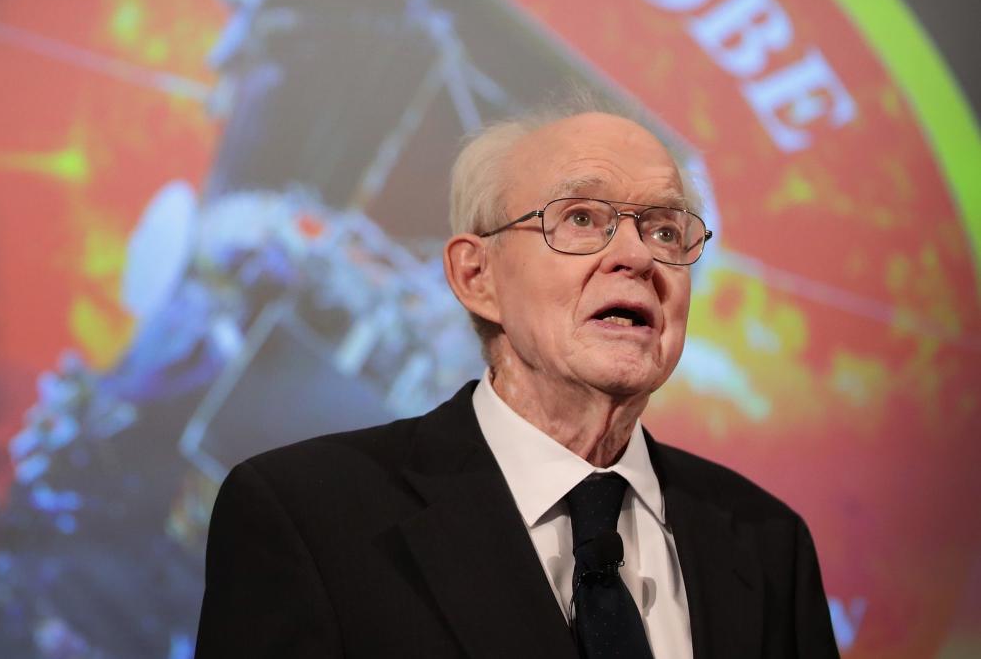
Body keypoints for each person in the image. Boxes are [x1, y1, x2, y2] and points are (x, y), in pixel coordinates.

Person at [195, 108, 839, 658]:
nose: (638, 256)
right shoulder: (305, 517)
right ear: (477, 277)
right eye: (583, 219)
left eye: (666, 231)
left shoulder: (765, 543)